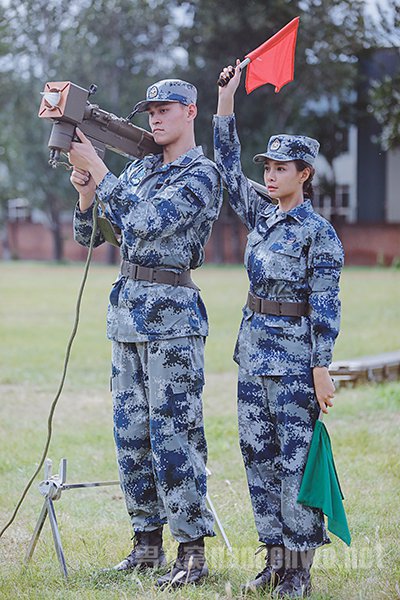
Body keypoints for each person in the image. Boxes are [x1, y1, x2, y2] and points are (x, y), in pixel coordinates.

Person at [69, 78, 223, 587]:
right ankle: (147, 545)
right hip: (128, 316)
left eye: (166, 109)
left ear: (190, 112)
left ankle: (192, 554)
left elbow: (147, 221)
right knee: (131, 437)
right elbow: (93, 235)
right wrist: (87, 191)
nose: (156, 118)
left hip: (173, 322)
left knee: (175, 437)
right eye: (150, 111)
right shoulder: (137, 169)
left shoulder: (201, 175)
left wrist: (101, 171)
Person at [213, 63, 344, 598]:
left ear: (304, 173)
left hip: (294, 365)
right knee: (258, 461)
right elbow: (224, 166)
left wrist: (321, 369)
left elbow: (325, 305)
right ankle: (272, 561)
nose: (269, 175)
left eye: (280, 168)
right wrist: (226, 99)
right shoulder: (263, 216)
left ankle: (299, 571)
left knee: (295, 467)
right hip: (254, 359)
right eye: (266, 166)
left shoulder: (319, 235)